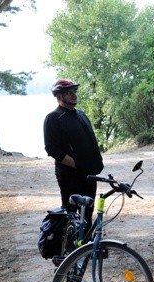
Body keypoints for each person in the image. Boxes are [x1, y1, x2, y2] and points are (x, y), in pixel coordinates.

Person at [43, 79, 104, 225]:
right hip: (69, 175)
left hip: (89, 175)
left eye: (74, 92)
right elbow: (51, 149)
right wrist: (77, 165)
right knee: (70, 213)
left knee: (88, 212)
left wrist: (95, 163)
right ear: (59, 97)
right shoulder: (53, 118)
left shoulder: (81, 115)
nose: (73, 95)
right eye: (68, 93)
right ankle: (69, 246)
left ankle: (86, 246)